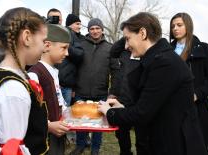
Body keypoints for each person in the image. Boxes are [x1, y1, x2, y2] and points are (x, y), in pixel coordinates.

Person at [98, 12, 207, 155]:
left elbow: (142, 113)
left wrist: (109, 112)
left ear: (142, 33)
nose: (126, 46)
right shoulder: (156, 60)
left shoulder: (164, 63)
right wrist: (122, 107)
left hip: (175, 146)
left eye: (128, 39)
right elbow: (152, 105)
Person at [0, 7, 49, 155]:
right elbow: (12, 150)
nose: (45, 48)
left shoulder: (8, 75)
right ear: (27, 37)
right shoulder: (13, 91)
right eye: (43, 40)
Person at [70, 18, 120, 155]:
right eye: (92, 29)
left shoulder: (110, 48)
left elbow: (116, 71)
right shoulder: (80, 45)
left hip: (101, 92)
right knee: (80, 122)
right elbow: (73, 68)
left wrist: (113, 92)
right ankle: (80, 145)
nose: (95, 31)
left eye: (97, 28)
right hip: (81, 90)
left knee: (99, 124)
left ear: (102, 29)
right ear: (88, 30)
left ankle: (95, 149)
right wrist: (73, 89)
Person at [170, 12, 208, 151]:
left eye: (179, 25)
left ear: (188, 26)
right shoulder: (167, 50)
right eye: (173, 26)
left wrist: (197, 94)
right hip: (172, 109)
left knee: (196, 148)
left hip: (197, 109)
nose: (175, 28)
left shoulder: (203, 48)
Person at [28, 24, 71, 155]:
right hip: (44, 140)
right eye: (63, 48)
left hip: (57, 135)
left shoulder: (53, 71)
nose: (67, 53)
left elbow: (58, 100)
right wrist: (48, 125)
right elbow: (29, 111)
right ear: (47, 46)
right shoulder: (34, 74)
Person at [109, 37, 149, 155]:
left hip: (139, 100)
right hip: (122, 99)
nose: (127, 45)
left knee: (141, 137)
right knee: (121, 134)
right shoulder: (125, 52)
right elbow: (113, 51)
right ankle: (125, 152)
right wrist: (127, 37)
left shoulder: (145, 53)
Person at [56, 13, 84, 106]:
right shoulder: (69, 34)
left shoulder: (67, 34)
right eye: (77, 24)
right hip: (64, 83)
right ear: (70, 24)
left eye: (80, 24)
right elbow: (79, 54)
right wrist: (67, 46)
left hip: (62, 82)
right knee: (64, 113)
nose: (79, 26)